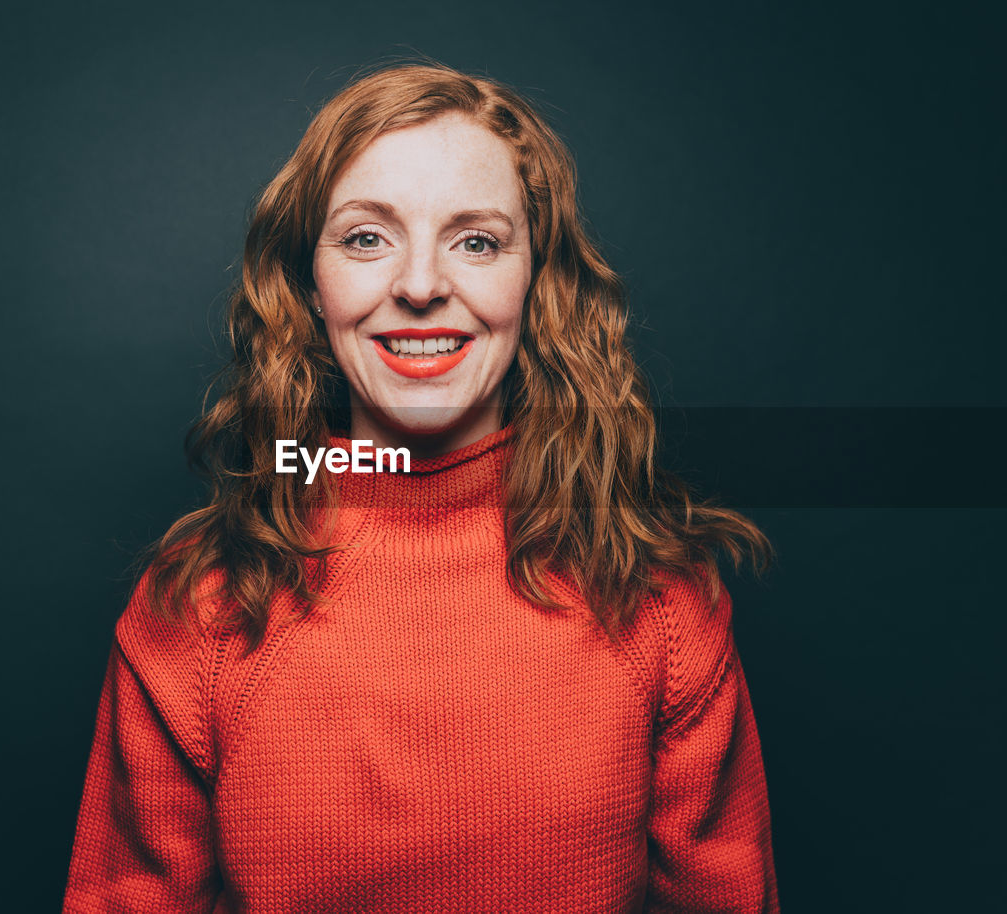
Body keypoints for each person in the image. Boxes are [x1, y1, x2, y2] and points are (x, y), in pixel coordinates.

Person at [63, 62, 779, 913]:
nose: (419, 285)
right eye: (367, 238)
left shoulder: (655, 593)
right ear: (309, 284)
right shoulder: (204, 601)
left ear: (536, 281)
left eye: (475, 241)